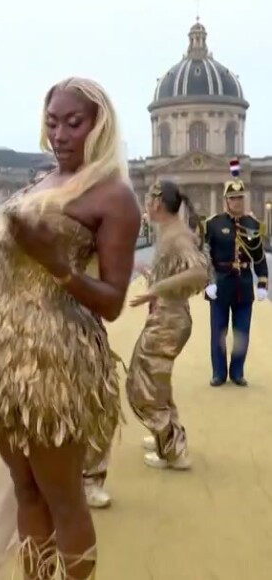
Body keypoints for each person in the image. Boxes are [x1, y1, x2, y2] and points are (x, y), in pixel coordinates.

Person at [0, 77, 141, 579]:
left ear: (100, 125)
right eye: (53, 122)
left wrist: (59, 264)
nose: (61, 133)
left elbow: (113, 303)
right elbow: (19, 277)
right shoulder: (38, 183)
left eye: (75, 122)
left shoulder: (113, 197)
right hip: (4, 358)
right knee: (25, 489)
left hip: (56, 361)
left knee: (63, 497)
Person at [127, 180, 208, 471]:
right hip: (168, 315)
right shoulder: (171, 233)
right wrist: (150, 273)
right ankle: (167, 435)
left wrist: (156, 288)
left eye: (148, 199)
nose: (146, 204)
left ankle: (173, 450)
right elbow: (179, 272)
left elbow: (199, 272)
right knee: (156, 381)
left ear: (157, 203)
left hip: (169, 319)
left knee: (142, 383)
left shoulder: (177, 236)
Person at [204, 158, 268, 387]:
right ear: (226, 201)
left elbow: (259, 256)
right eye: (233, 198)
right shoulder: (213, 224)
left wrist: (262, 283)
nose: (237, 202)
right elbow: (205, 255)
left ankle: (237, 372)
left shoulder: (252, 224)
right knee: (218, 334)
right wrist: (207, 282)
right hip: (220, 284)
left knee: (242, 333)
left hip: (243, 285)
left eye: (240, 198)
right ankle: (219, 373)